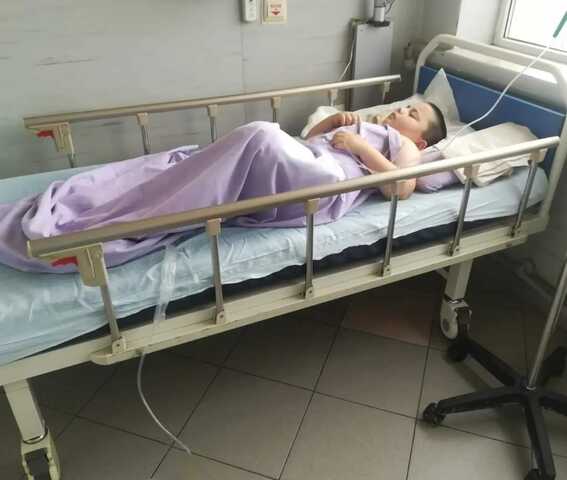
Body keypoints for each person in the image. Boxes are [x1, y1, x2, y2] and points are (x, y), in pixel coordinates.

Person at [0, 101, 446, 272]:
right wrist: (332, 126)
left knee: (260, 134)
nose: (401, 111)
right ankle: (159, 195)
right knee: (235, 148)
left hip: (325, 186)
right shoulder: (365, 123)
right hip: (305, 164)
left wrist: (357, 145)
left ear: (422, 139)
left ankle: (141, 213)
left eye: (413, 114)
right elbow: (306, 142)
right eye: (405, 106)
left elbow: (401, 189)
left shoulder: (406, 147)